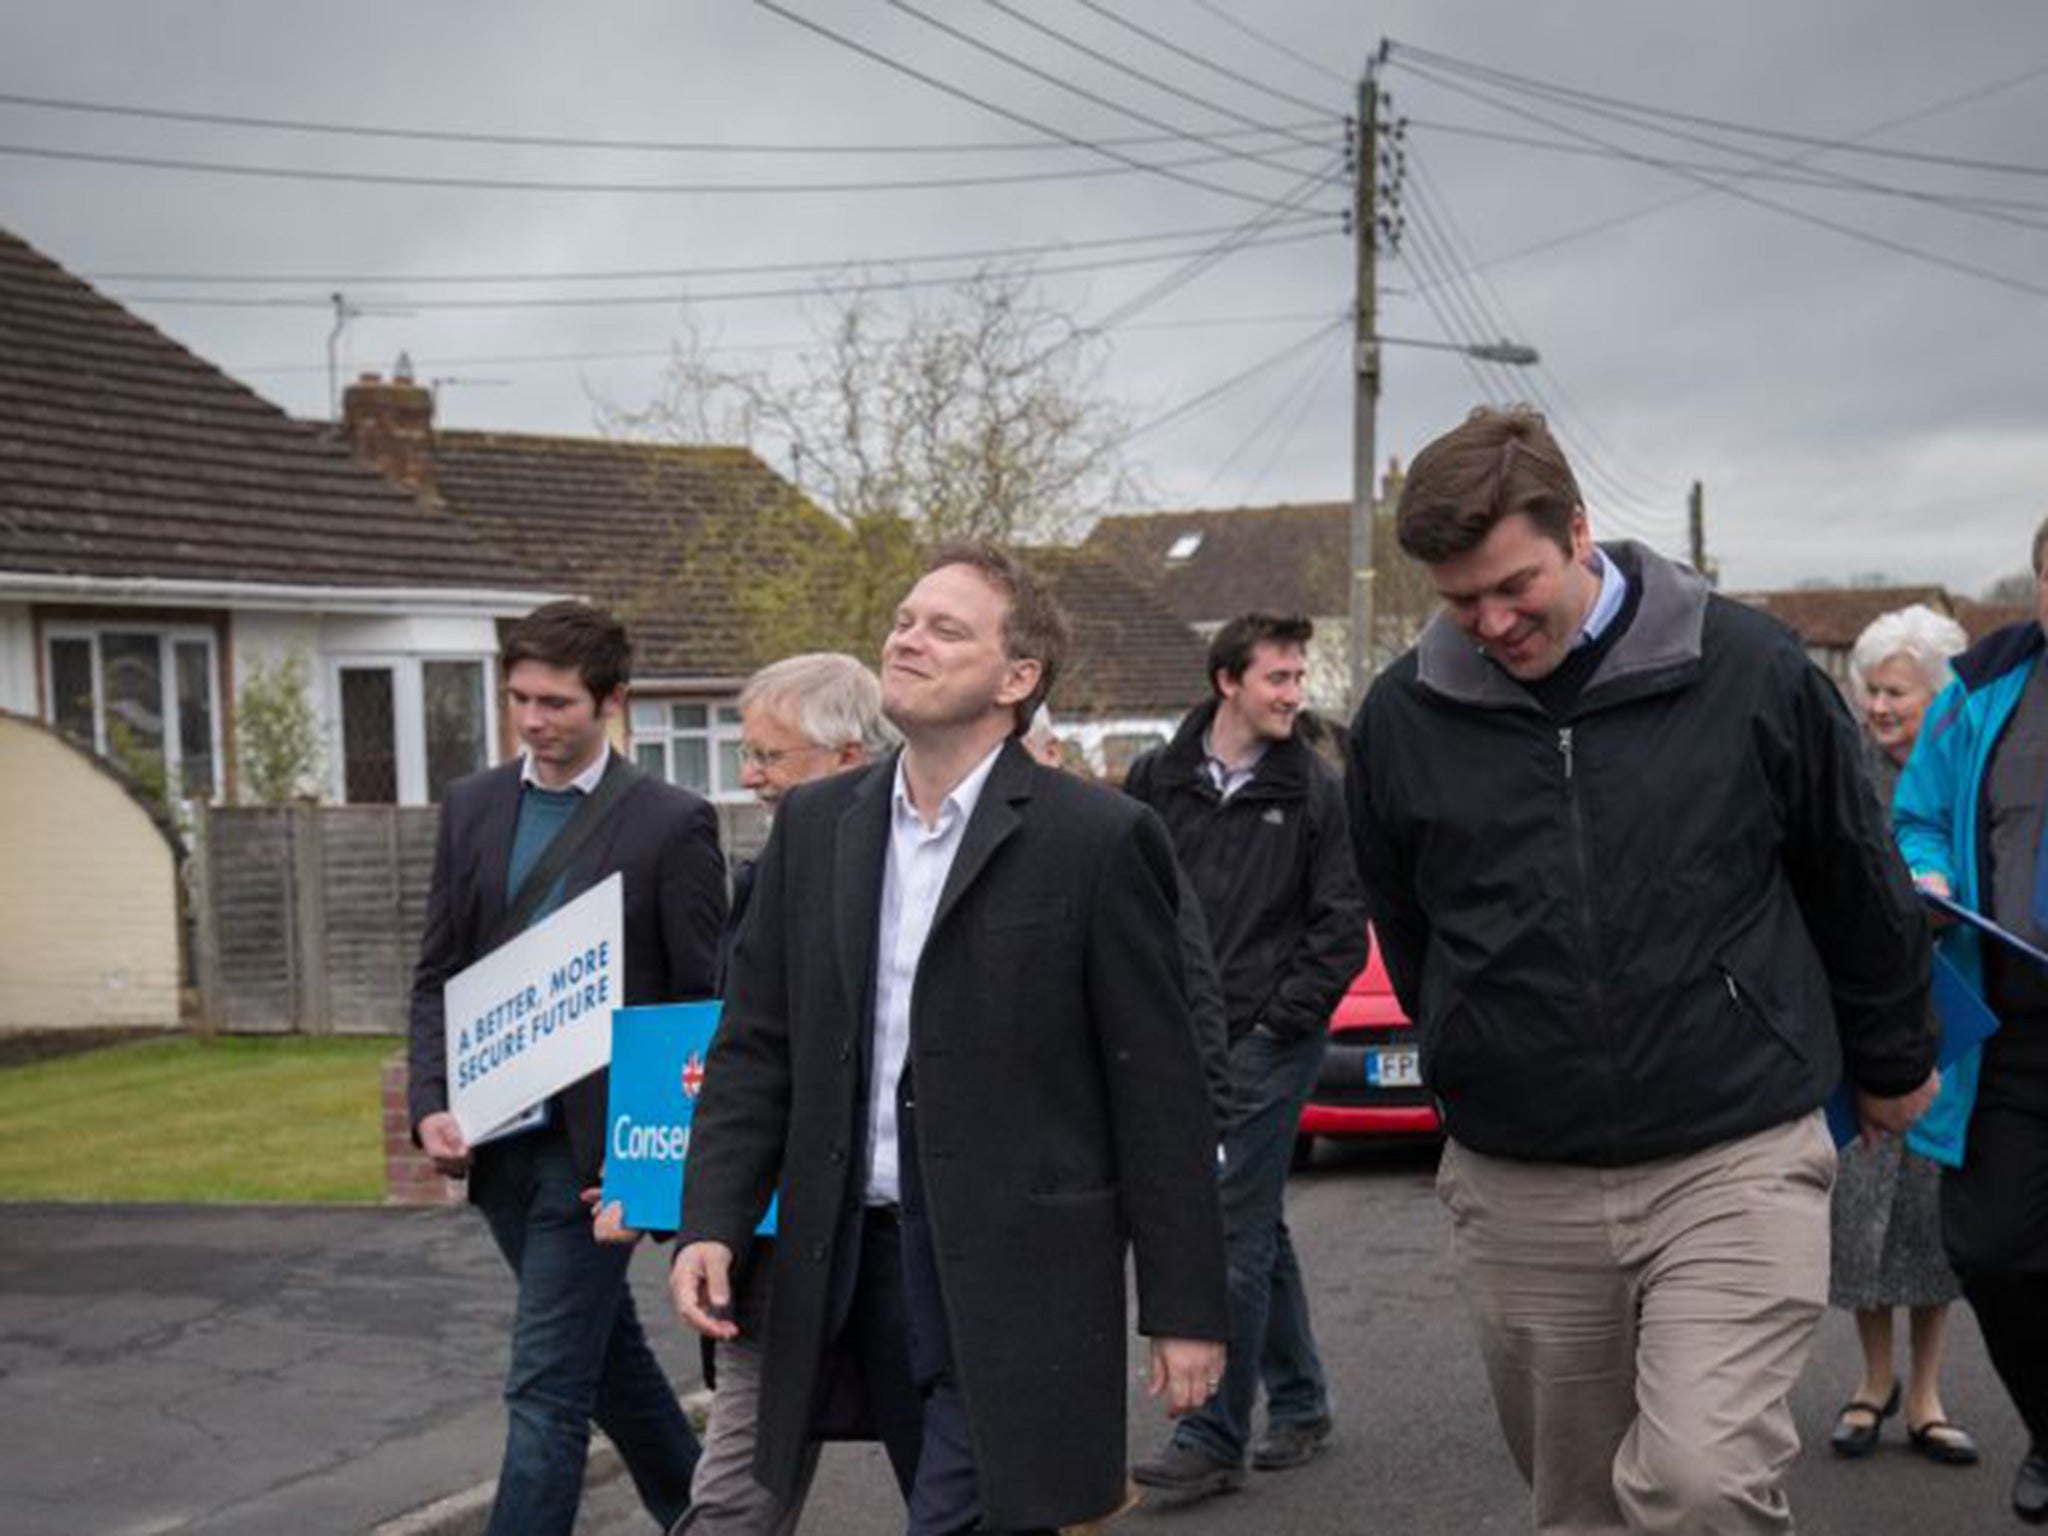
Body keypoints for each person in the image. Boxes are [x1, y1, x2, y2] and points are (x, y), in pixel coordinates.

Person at [1346, 407, 1939, 1536]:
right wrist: (1474, 1057)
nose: (1490, 621)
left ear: (1575, 531)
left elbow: (1849, 875)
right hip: (1521, 1176)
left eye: (1512, 584)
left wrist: (1891, 1052)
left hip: (1733, 1149)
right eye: (1457, 601)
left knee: (1695, 1486)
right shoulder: (1400, 721)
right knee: (1576, 1507)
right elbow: (1410, 925)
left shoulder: (1748, 668)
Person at [669, 542, 1229, 1536]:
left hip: (1016, 1276)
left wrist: (1185, 1306)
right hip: (852, 1265)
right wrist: (710, 1219)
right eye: (904, 618)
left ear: (1016, 680)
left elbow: (1157, 1087)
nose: (906, 638)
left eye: (945, 628)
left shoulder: (1094, 839)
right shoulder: (815, 826)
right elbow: (758, 1047)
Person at [407, 600, 728, 1536]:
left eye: (556, 702)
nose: (534, 720)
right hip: (498, 1141)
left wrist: (654, 1172)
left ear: (612, 701)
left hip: (595, 1160)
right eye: (519, 698)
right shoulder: (471, 805)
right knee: (607, 1355)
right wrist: (430, 1099)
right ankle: (699, 1512)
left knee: (545, 1384)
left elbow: (696, 1010)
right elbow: (438, 973)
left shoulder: (672, 823)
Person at [1125, 613, 1370, 1501]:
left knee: (1227, 1219)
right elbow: (1132, 901)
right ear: (1227, 680)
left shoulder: (1316, 789)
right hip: (1183, 1037)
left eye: (1300, 678)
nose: (1294, 695)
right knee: (1257, 1221)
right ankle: (1300, 1403)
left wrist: (1278, 1023)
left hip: (1270, 1043)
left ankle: (1213, 1432)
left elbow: (1341, 925)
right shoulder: (1157, 778)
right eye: (1279, 678)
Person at [678, 653, 898, 1536]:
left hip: (903, 1242)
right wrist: (669, 1194)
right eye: (748, 750)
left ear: (848, 758)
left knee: (965, 1484)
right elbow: (743, 1058)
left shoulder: (924, 874)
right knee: (736, 1486)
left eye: (771, 757)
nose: (748, 775)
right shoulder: (767, 876)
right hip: (776, 1242)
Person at [1894, 516, 2048, 1524]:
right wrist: (1926, 868)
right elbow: (1914, 811)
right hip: (2013, 1027)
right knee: (1988, 1248)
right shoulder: (1982, 683)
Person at [1828, 606, 1976, 1466]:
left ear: (1938, 697)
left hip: (1950, 1019)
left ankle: (1925, 1391)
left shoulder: (1961, 774)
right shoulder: (1846, 775)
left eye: (1897, 693)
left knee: (1930, 1212)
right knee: (1859, 1210)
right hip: (1861, 1022)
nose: (1880, 706)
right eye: (1873, 690)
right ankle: (1869, 1379)